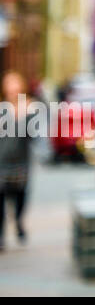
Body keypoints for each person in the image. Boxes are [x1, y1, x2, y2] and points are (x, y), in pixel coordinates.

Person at [0, 71, 37, 250]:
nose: (12, 88)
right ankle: (0, 237)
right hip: (1, 161)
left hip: (21, 161)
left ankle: (18, 220)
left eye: (16, 84)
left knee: (20, 197)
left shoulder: (31, 108)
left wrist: (24, 115)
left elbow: (34, 136)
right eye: (9, 84)